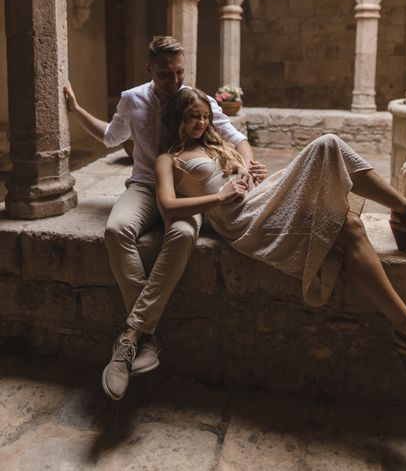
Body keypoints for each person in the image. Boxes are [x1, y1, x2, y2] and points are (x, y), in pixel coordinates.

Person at [155, 88, 406, 377]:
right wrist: (220, 196)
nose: (202, 122)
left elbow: (243, 164)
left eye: (206, 116)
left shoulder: (216, 145)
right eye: (193, 116)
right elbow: (169, 207)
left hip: (260, 198)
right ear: (178, 118)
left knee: (350, 224)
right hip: (242, 220)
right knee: (328, 146)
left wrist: (251, 174)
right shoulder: (168, 160)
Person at [64, 36, 266, 401]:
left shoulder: (193, 99)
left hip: (186, 189)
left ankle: (131, 334)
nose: (174, 81)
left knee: (185, 236)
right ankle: (148, 336)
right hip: (144, 185)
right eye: (165, 74)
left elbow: (237, 137)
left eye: (179, 72)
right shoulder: (133, 99)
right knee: (115, 229)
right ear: (149, 71)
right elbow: (111, 138)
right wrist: (76, 110)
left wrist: (247, 165)